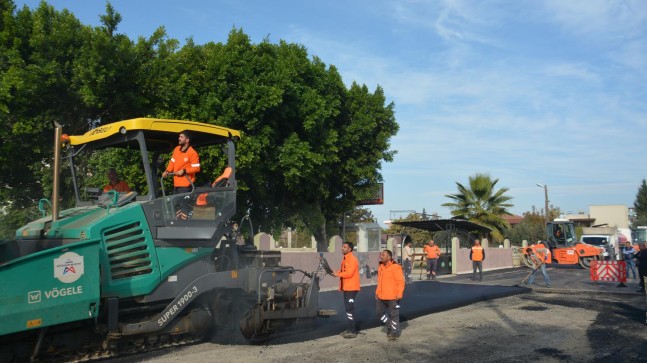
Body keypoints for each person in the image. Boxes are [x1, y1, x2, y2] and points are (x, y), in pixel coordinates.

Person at [161, 130, 200, 220]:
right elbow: (172, 162)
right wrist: (167, 171)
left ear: (187, 140)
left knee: (184, 206)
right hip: (176, 184)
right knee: (176, 205)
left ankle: (184, 225)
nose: (179, 138)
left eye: (181, 137)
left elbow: (197, 168)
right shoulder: (176, 149)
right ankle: (177, 223)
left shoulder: (192, 152)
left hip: (186, 185)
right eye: (179, 137)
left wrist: (184, 171)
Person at [375, 249, 405, 341]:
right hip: (381, 296)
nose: (381, 256)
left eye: (383, 255)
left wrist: (399, 293)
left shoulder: (395, 267)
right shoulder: (380, 267)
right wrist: (377, 292)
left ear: (389, 257)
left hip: (392, 296)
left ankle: (395, 332)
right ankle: (389, 325)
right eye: (381, 255)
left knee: (394, 315)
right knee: (379, 313)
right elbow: (380, 282)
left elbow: (400, 281)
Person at [333, 242, 360, 338]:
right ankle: (350, 329)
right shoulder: (345, 259)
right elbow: (344, 271)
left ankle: (353, 331)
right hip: (346, 288)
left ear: (350, 249)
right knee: (348, 309)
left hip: (351, 289)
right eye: (342, 247)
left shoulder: (352, 259)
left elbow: (349, 273)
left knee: (350, 309)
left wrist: (338, 274)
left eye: (344, 247)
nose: (342, 248)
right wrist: (336, 273)